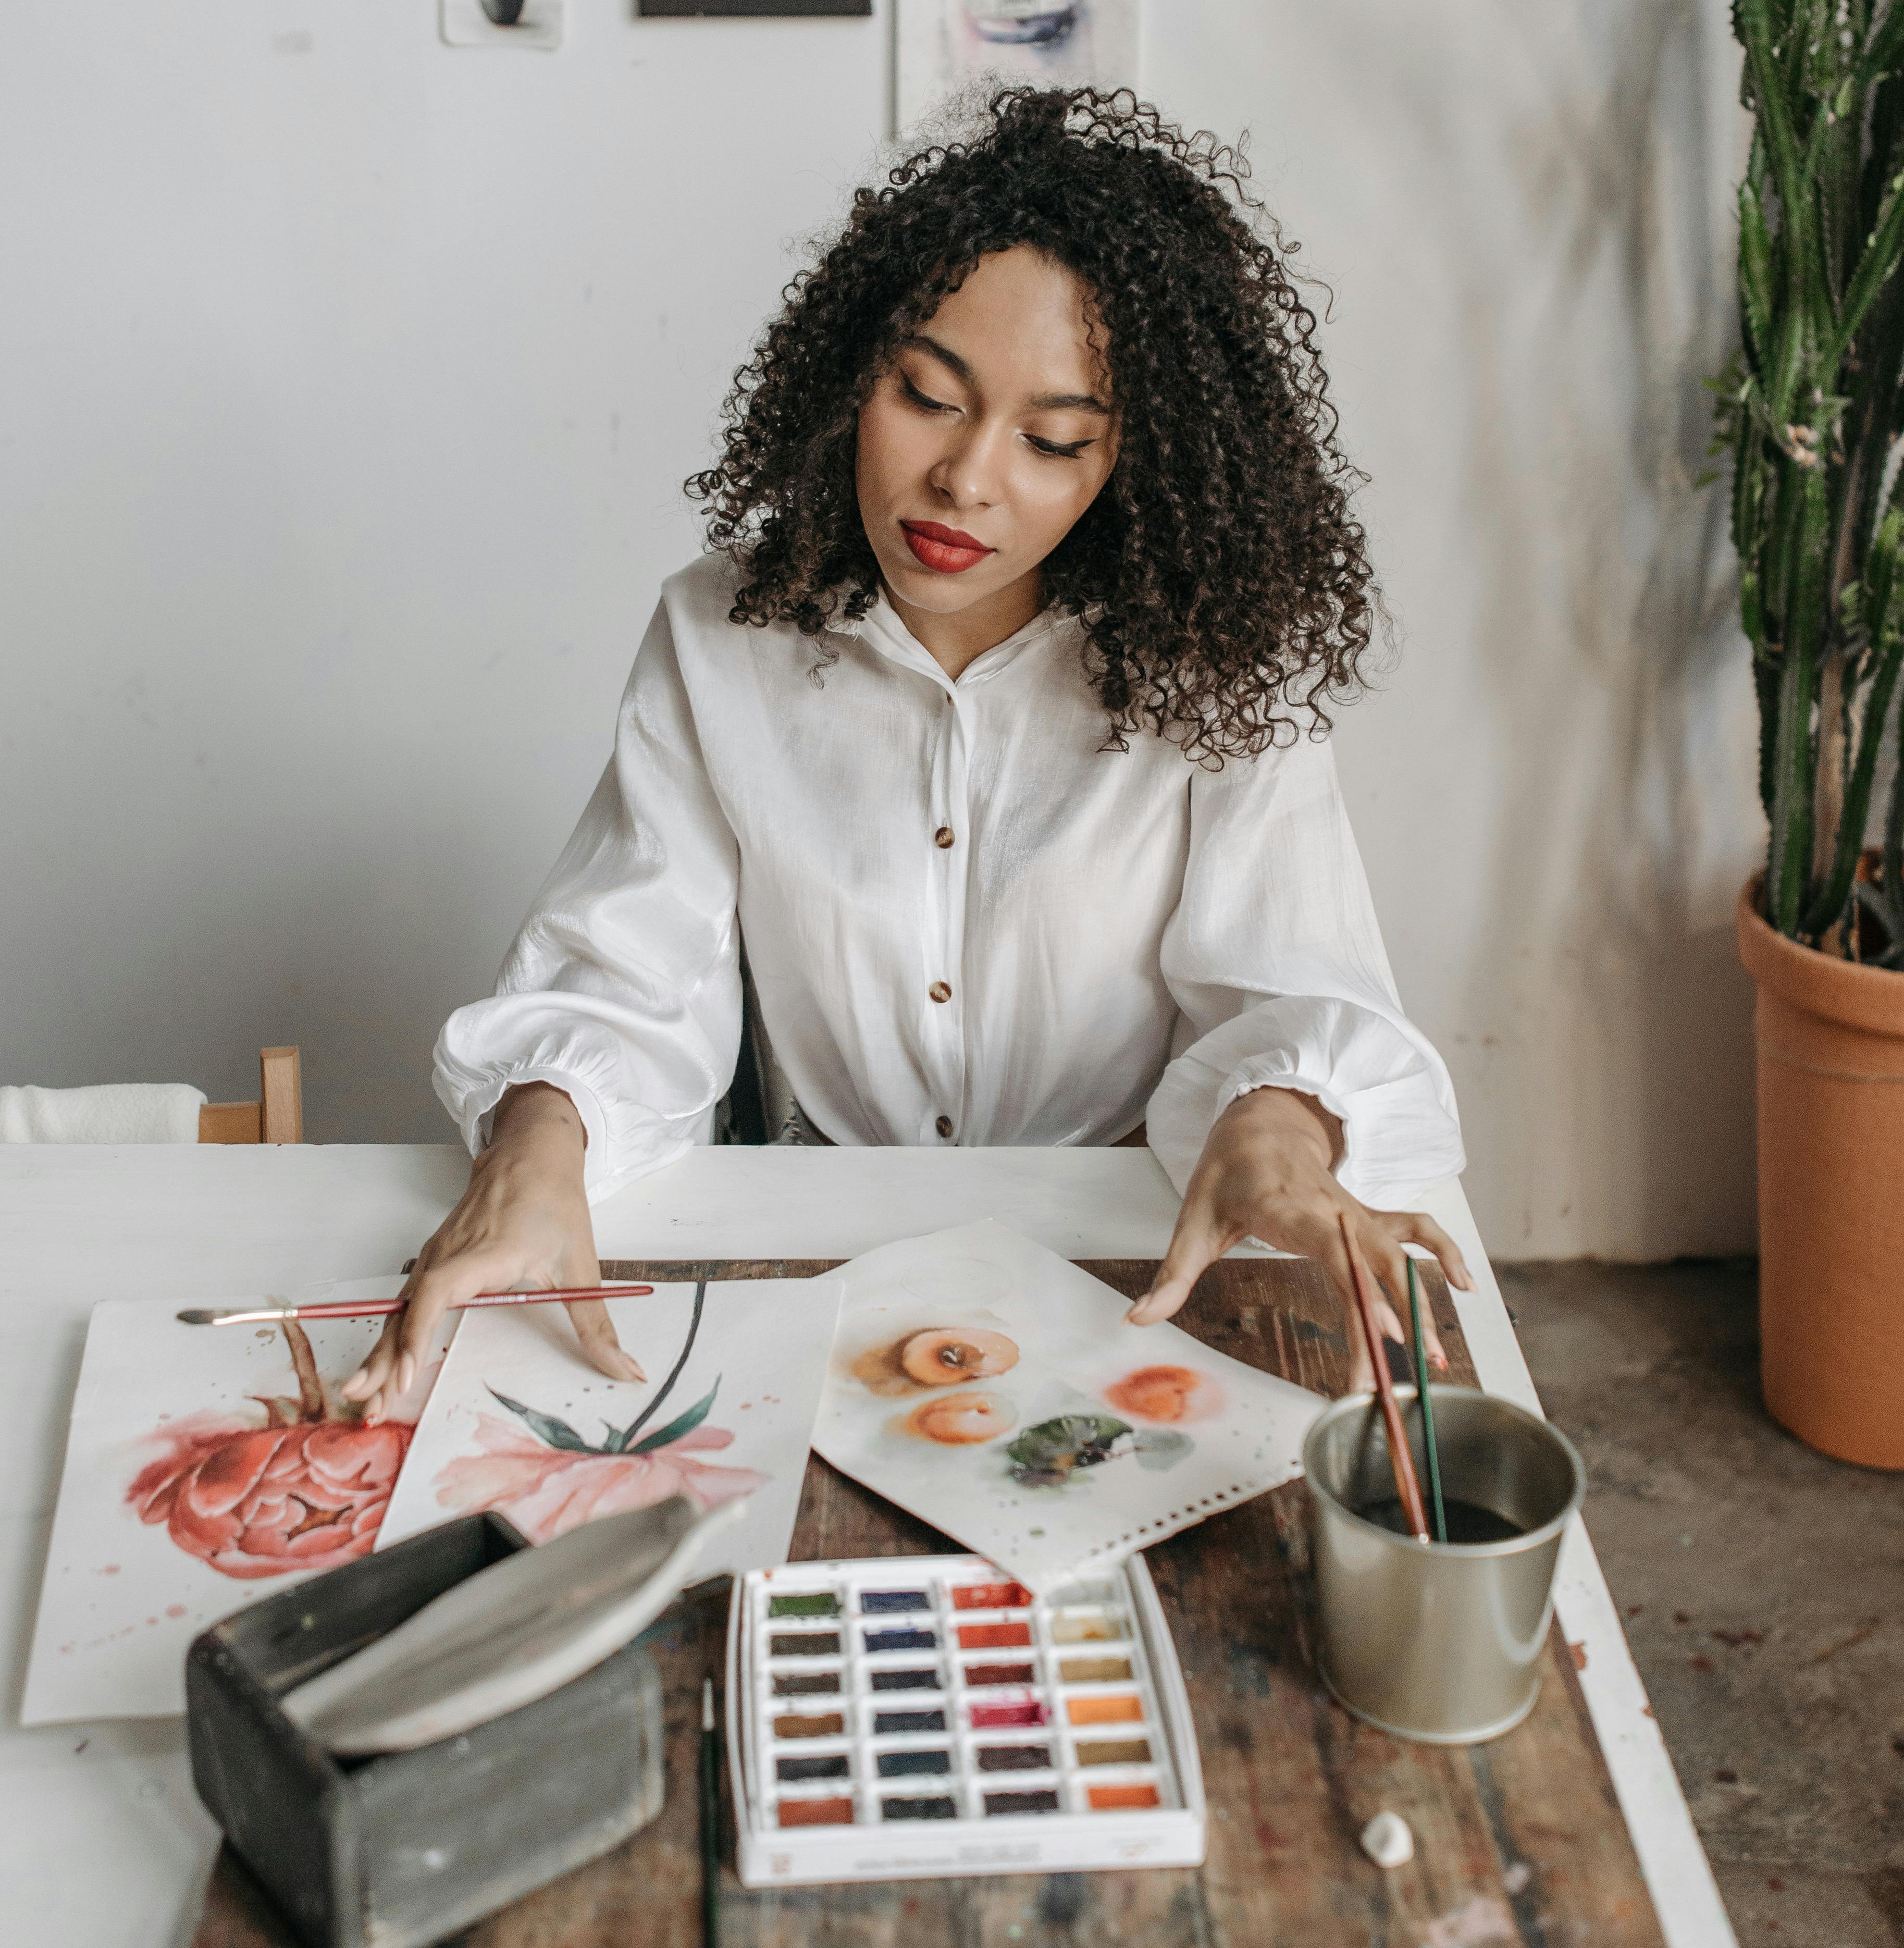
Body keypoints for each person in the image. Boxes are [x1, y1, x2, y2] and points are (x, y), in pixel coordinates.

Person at [349, 88, 1468, 1420]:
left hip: (1134, 1254)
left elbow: (1291, 987)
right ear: (851, 373)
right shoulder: (724, 634)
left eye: (1054, 441)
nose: (967, 479)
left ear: (1137, 461)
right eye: (928, 397)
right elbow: (628, 975)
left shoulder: (1221, 668)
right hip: (824, 1259)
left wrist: (1282, 1131)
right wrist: (534, 1148)